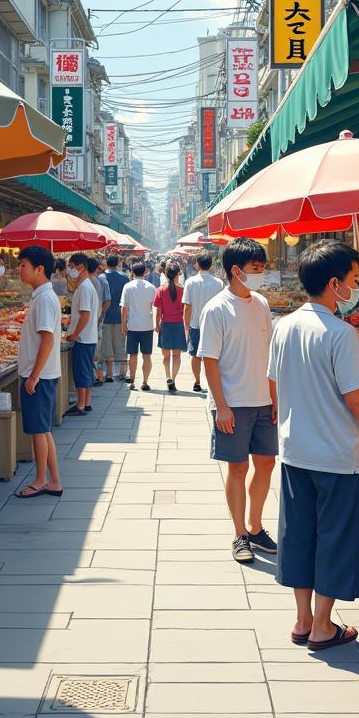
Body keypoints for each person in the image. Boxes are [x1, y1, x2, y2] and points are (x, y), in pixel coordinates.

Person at [268, 242, 359, 650]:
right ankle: (323, 627)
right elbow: (355, 399)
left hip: (296, 451)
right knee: (334, 537)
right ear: (334, 284)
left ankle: (302, 620)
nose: (354, 288)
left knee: (299, 535)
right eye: (351, 280)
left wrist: (288, 414)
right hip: (337, 455)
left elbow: (273, 382)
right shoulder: (340, 333)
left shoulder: (284, 326)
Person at [198, 237, 276, 565]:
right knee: (238, 467)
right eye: (255, 268)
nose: (260, 273)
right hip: (233, 403)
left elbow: (269, 354)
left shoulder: (261, 303)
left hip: (263, 401)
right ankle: (239, 533)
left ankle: (256, 526)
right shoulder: (216, 308)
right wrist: (221, 406)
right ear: (235, 270)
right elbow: (209, 360)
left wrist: (275, 398)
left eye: (262, 267)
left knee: (267, 463)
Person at [14, 244, 64, 499]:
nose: (19, 269)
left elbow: (47, 340)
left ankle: (41, 479)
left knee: (38, 430)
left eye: (23, 265)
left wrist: (33, 376)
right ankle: (53, 479)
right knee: (42, 430)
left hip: (39, 376)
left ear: (39, 269)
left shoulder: (44, 299)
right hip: (42, 373)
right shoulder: (43, 296)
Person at [182, 253, 225, 394]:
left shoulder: (190, 282)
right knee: (214, 355)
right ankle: (213, 383)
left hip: (196, 324)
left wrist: (186, 325)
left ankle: (197, 381)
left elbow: (187, 307)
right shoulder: (219, 283)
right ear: (211, 265)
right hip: (215, 325)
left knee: (195, 355)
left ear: (197, 264)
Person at [63, 252, 99, 417]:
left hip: (83, 338)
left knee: (81, 372)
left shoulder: (85, 287)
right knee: (85, 370)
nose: (70, 270)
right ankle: (87, 403)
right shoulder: (85, 285)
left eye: (72, 267)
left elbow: (85, 314)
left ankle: (81, 405)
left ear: (81, 267)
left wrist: (76, 333)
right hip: (87, 336)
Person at [121, 262, 156, 391]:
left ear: (132, 271)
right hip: (147, 325)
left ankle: (133, 380)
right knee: (147, 355)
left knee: (133, 355)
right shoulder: (151, 287)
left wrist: (123, 325)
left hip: (133, 325)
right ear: (145, 272)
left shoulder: (128, 287)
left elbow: (124, 308)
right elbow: (154, 306)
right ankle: (145, 381)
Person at [154, 263, 186, 392]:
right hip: (178, 324)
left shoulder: (160, 290)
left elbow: (158, 311)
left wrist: (157, 325)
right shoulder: (183, 290)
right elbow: (185, 309)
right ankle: (173, 378)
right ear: (178, 274)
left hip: (165, 324)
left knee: (166, 356)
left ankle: (167, 376)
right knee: (177, 356)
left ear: (166, 274)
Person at [101, 255, 129, 383]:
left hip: (104, 316)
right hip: (120, 316)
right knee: (120, 344)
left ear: (106, 263)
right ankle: (123, 372)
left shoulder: (101, 278)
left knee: (107, 345)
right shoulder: (124, 278)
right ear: (118, 263)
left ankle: (110, 374)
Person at [88, 258, 111, 387]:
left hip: (95, 321)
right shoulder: (98, 281)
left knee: (96, 350)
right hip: (94, 320)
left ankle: (98, 376)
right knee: (95, 349)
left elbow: (107, 300)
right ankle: (97, 376)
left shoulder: (99, 281)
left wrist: (99, 315)